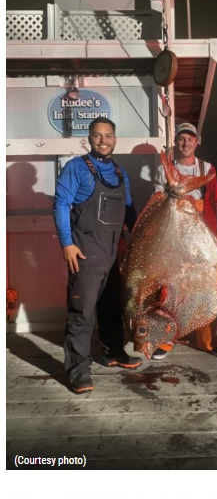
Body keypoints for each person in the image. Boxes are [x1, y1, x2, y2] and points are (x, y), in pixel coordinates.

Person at [53, 116, 142, 394]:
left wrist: (141, 237)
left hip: (114, 254)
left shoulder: (119, 172)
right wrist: (67, 244)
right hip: (85, 254)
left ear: (115, 139)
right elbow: (61, 204)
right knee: (81, 314)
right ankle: (78, 370)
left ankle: (113, 352)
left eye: (108, 135)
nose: (103, 140)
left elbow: (129, 212)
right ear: (89, 139)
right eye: (97, 135)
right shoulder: (76, 168)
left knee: (111, 307)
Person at [152, 121, 217, 360]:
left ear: (197, 142)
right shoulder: (165, 167)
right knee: (171, 288)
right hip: (174, 235)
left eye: (190, 139)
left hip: (201, 236)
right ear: (175, 142)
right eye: (181, 139)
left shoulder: (208, 168)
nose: (185, 143)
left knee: (206, 286)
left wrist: (215, 236)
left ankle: (207, 341)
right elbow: (156, 200)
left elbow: (214, 202)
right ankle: (166, 340)